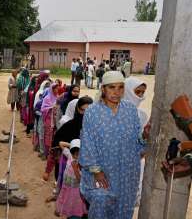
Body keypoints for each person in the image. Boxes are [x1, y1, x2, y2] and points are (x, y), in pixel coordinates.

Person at [79, 71, 145, 219]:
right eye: (112, 87)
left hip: (127, 173)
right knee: (101, 204)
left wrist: (145, 136)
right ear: (103, 89)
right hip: (102, 172)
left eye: (121, 87)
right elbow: (88, 143)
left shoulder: (130, 110)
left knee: (123, 209)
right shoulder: (92, 112)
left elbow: (137, 140)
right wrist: (96, 171)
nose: (117, 92)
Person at [123, 77, 148, 206]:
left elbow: (142, 142)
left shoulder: (142, 115)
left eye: (142, 93)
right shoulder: (110, 111)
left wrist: (145, 137)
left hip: (133, 165)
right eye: (137, 92)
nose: (140, 96)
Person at [56, 139, 88, 219]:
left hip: (76, 190)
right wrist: (73, 145)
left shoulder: (82, 163)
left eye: (78, 154)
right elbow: (61, 143)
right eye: (75, 154)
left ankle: (75, 215)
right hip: (67, 187)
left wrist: (75, 169)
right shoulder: (69, 155)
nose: (76, 157)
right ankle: (69, 214)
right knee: (67, 203)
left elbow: (80, 180)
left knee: (75, 205)